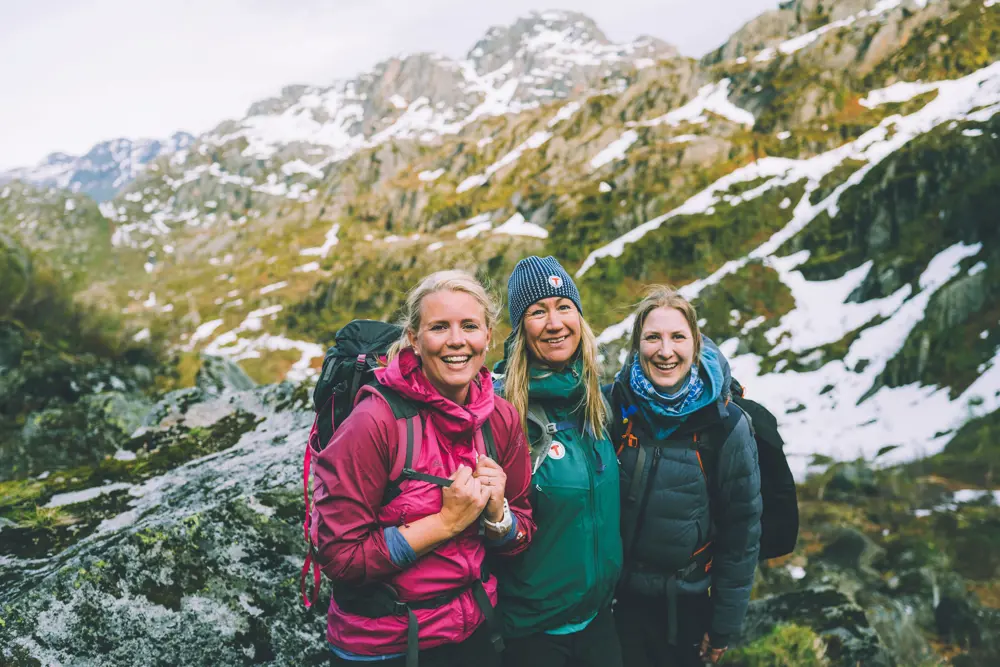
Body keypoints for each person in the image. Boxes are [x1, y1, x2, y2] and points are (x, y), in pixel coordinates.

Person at [312, 270, 536, 667]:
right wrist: (445, 523)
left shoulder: (500, 417)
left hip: (475, 633)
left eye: (469, 325)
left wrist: (499, 516)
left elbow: (521, 534)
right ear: (414, 339)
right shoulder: (374, 423)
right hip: (384, 648)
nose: (456, 340)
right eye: (439, 327)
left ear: (488, 336)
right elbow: (340, 558)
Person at [607, 286, 762, 667]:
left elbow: (741, 534)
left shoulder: (726, 425)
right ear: (636, 345)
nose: (665, 350)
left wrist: (723, 625)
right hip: (614, 602)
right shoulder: (614, 406)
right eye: (652, 337)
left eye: (677, 337)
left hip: (685, 607)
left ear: (695, 343)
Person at [492, 256, 624, 667]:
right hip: (534, 635)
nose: (554, 323)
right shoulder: (502, 411)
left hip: (599, 623)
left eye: (564, 306)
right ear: (520, 329)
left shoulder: (596, 401)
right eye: (537, 311)